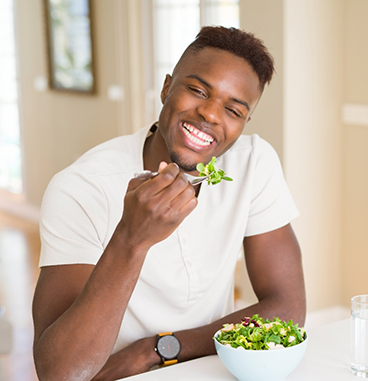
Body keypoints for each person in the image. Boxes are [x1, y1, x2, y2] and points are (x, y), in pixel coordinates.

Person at [32, 26, 306, 381]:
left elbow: (287, 308)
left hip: (212, 370)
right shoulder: (81, 188)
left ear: (244, 123)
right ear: (166, 88)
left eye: (233, 110)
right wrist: (131, 238)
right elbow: (59, 373)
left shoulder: (254, 164)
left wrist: (156, 350)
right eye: (197, 90)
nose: (210, 113)